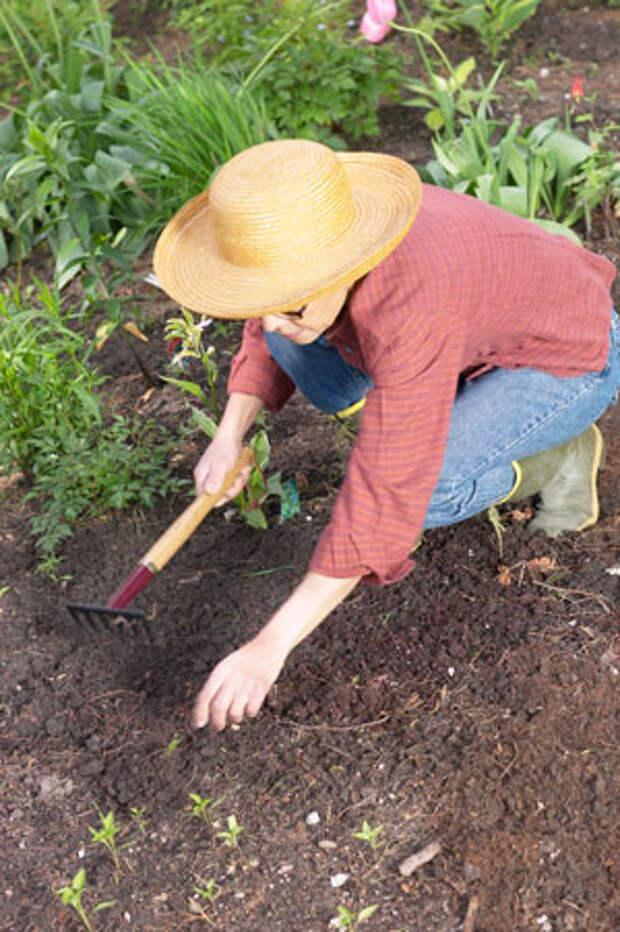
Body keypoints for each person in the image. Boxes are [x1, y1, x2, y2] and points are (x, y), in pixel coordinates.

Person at [153, 139, 619, 732]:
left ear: (345, 268)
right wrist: (228, 436)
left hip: (566, 360)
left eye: (290, 305)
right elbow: (265, 318)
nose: (271, 319)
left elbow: (387, 495)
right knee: (287, 347)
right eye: (268, 302)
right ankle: (441, 408)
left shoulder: (411, 311)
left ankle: (557, 458)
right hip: (468, 332)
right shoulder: (325, 230)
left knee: (429, 488)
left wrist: (268, 648)